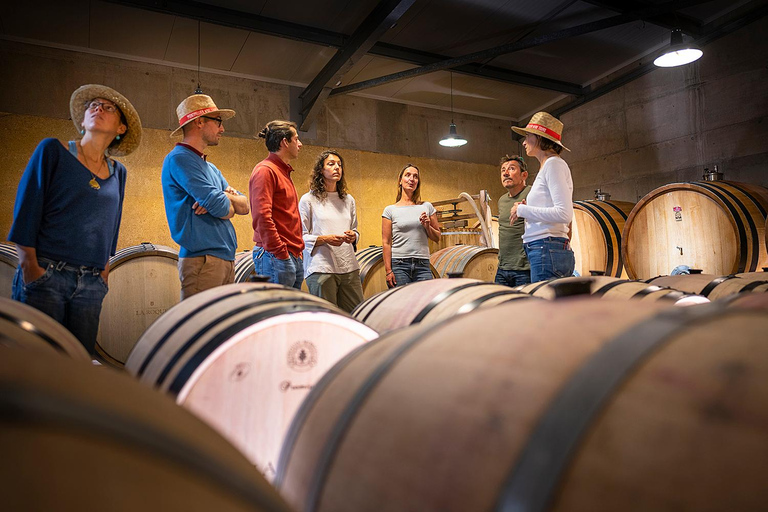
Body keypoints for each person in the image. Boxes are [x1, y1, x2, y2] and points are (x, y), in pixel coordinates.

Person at [8, 84, 142, 355]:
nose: (98, 109)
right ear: (82, 121)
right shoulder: (53, 152)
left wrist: (103, 274)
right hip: (47, 275)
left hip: (91, 284)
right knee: (36, 365)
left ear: (121, 129)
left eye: (108, 107)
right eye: (92, 105)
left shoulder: (119, 172)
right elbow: (26, 211)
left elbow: (111, 225)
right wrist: (31, 268)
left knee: (78, 365)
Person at [161, 93, 249, 300]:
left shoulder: (210, 167)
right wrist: (224, 199)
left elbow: (245, 206)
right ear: (199, 122)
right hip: (203, 260)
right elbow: (221, 208)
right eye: (218, 121)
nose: (222, 128)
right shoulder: (181, 159)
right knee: (204, 329)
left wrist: (222, 199)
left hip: (223, 258)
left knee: (222, 328)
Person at [510, 111, 575, 283]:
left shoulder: (553, 164)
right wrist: (526, 209)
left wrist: (523, 209)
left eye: (528, 136)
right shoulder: (547, 166)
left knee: (546, 308)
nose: (524, 142)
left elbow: (564, 214)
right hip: (545, 248)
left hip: (547, 248)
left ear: (540, 138)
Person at [299, 150, 364, 312]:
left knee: (355, 315)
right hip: (321, 268)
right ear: (321, 170)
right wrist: (325, 239)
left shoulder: (348, 200)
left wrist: (353, 236)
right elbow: (300, 236)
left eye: (339, 165)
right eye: (331, 164)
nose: (337, 168)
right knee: (326, 318)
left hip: (348, 267)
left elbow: (355, 230)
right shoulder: (308, 199)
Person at [249, 120, 305, 289]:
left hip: (291, 254)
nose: (300, 144)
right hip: (276, 256)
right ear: (285, 142)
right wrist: (280, 252)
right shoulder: (265, 170)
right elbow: (262, 216)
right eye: (296, 139)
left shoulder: (283, 171)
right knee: (277, 313)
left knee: (291, 314)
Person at [382, 164, 440, 288]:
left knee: (425, 302)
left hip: (422, 264)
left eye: (415, 176)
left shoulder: (427, 207)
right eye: (407, 175)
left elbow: (437, 237)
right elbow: (386, 242)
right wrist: (388, 270)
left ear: (418, 182)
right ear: (400, 180)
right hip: (399, 265)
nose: (412, 179)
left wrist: (427, 226)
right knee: (403, 303)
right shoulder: (390, 210)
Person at [495, 155, 531, 287]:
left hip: (525, 269)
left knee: (523, 307)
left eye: (511, 169)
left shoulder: (532, 194)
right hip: (503, 267)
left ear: (524, 175)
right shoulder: (502, 200)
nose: (505, 173)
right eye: (503, 170)